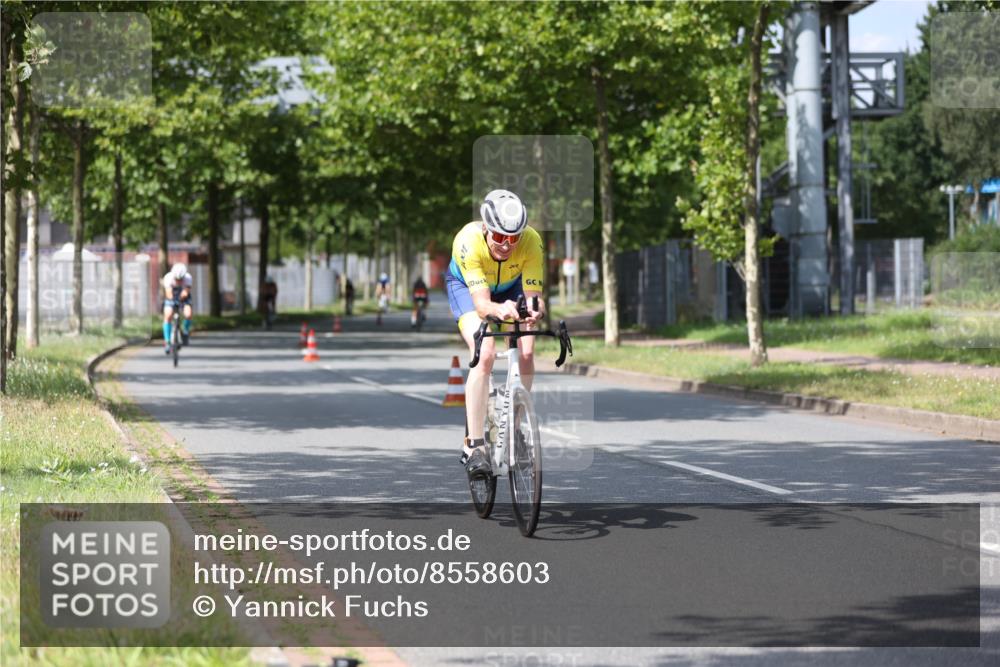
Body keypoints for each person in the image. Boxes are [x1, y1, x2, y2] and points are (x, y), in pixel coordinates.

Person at [446, 189, 545, 478]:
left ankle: (515, 428)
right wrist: (499, 311)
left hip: (511, 285)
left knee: (526, 351)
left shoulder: (532, 241)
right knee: (485, 352)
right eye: (500, 237)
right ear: (487, 228)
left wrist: (535, 310)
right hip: (467, 288)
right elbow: (482, 304)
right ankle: (474, 446)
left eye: (513, 238)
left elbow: (533, 295)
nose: (507, 244)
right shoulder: (468, 241)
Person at [162, 262, 193, 352]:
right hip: (171, 295)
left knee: (188, 314)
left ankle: (186, 332)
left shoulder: (188, 278)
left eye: (181, 279)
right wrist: (173, 302)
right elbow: (168, 293)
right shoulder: (168, 278)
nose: (179, 281)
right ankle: (167, 341)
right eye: (177, 279)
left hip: (183, 297)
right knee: (168, 315)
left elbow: (185, 292)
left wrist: (180, 300)